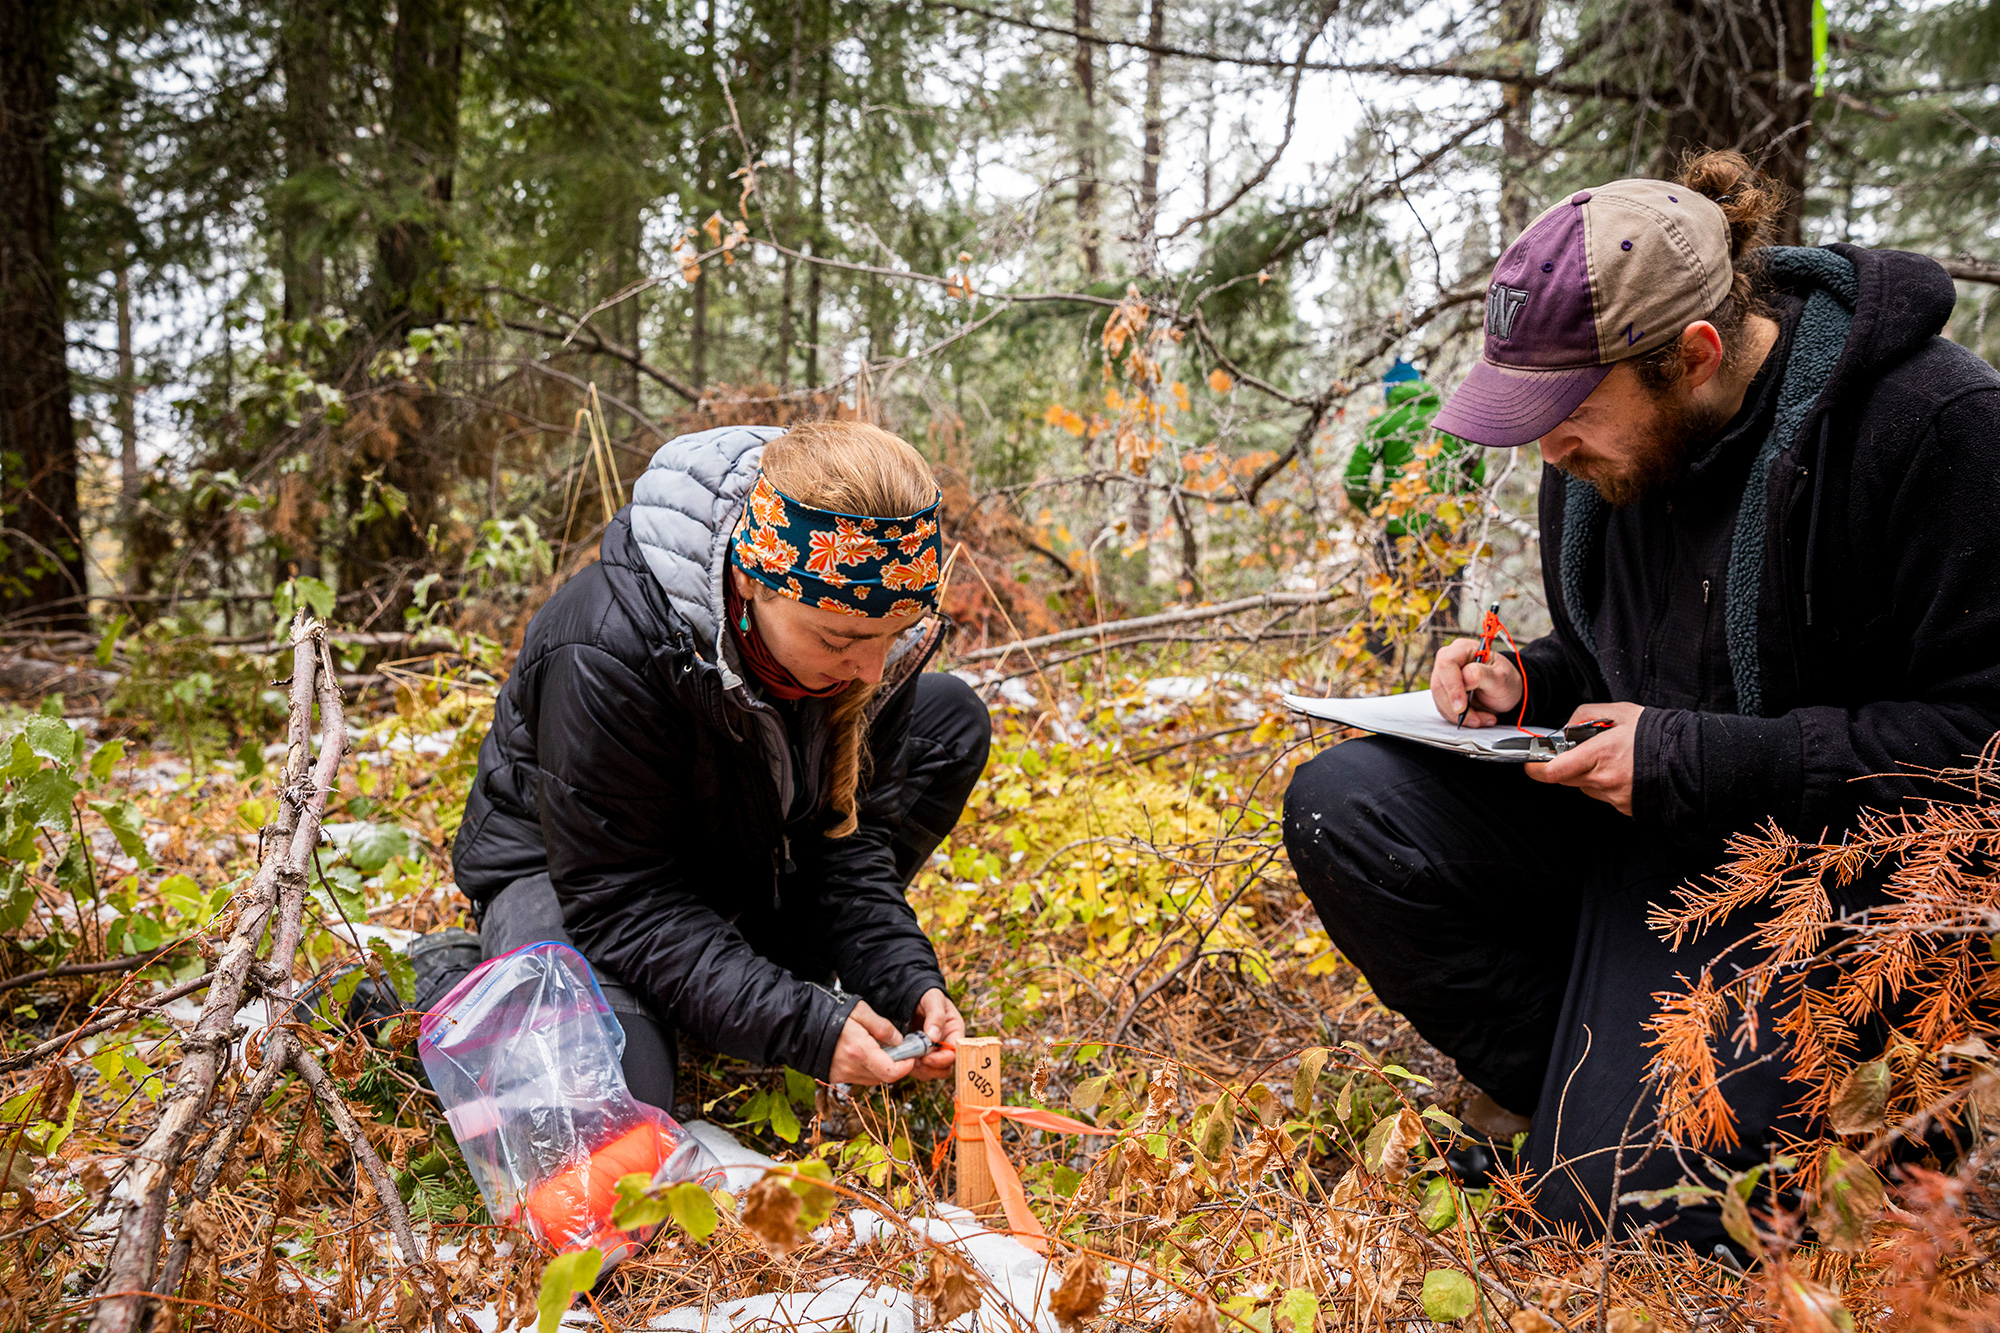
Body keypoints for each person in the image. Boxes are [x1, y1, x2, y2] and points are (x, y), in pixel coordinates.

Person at [1283, 152, 2000, 1256]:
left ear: (1692, 355)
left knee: (1627, 1211)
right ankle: (1575, 1079)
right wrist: (1528, 679)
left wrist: (1703, 760)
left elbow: (1978, 745)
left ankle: (1626, 1121)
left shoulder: (1935, 428)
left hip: (1829, 892)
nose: (1543, 443)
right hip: (1648, 845)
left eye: (1565, 411)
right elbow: (1623, 660)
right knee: (1348, 806)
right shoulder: (1603, 458)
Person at [444, 420, 992, 1114]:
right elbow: (622, 901)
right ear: (747, 578)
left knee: (952, 715)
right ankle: (450, 983)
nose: (871, 668)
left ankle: (719, 989)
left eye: (892, 638)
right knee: (605, 1115)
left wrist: (905, 979)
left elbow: (842, 848)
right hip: (576, 882)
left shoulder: (861, 647)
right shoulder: (607, 644)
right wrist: (803, 1024)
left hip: (723, 862)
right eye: (840, 639)